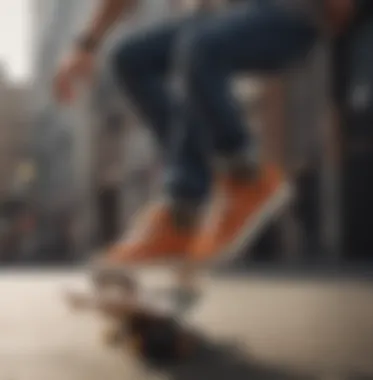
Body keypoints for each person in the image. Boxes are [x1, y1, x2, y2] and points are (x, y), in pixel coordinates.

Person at [54, 0, 356, 267]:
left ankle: (242, 177)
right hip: (219, 22)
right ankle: (184, 215)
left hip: (287, 14)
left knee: (197, 48)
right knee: (130, 58)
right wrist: (86, 45)